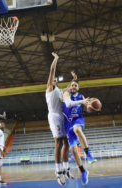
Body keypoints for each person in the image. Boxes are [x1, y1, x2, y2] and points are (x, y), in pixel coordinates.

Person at [45, 52, 75, 185]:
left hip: (61, 116)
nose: (55, 80)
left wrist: (74, 79)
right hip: (54, 116)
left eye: (56, 79)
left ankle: (66, 168)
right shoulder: (50, 88)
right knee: (58, 143)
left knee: (66, 143)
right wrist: (55, 59)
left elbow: (69, 88)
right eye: (54, 79)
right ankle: (58, 172)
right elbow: (52, 71)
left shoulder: (59, 90)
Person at [62, 80, 97, 185]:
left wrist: (94, 107)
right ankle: (83, 171)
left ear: (78, 88)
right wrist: (82, 102)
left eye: (75, 85)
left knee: (77, 129)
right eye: (72, 85)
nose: (73, 87)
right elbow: (68, 104)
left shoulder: (81, 96)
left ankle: (88, 154)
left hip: (78, 119)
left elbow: (87, 108)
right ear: (69, 86)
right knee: (73, 151)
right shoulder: (66, 93)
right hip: (68, 123)